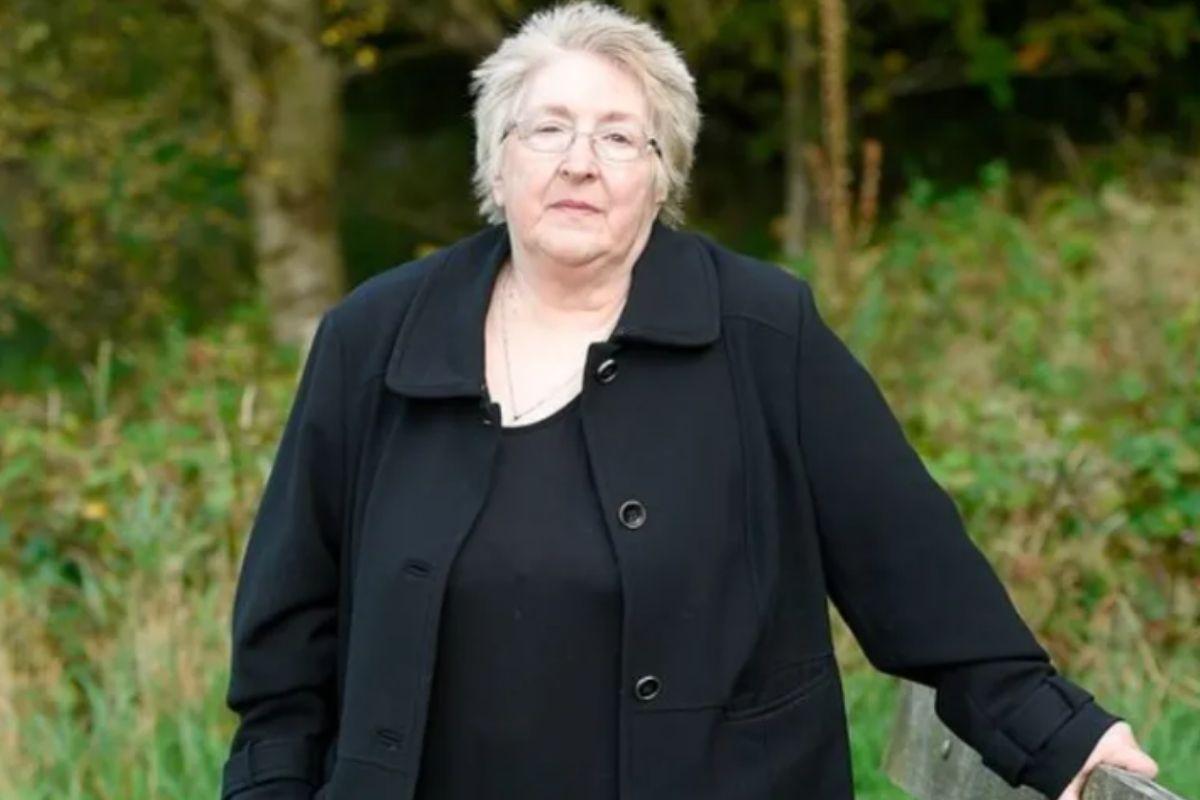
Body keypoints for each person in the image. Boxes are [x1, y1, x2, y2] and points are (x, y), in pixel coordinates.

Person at [217, 3, 1159, 799]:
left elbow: (910, 564)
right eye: (547, 129)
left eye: (619, 137)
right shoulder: (376, 337)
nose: (580, 162)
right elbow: (287, 639)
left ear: (662, 175)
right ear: (496, 161)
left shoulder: (763, 332)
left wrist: (1058, 734)